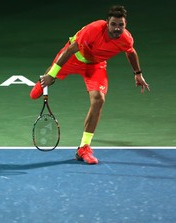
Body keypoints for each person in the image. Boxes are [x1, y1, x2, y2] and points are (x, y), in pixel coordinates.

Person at [29, 5, 150, 164]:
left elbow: (131, 52)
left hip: (95, 66)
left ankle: (83, 147)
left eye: (121, 25)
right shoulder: (93, 30)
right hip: (74, 58)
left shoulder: (126, 39)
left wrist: (138, 73)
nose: (117, 28)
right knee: (36, 92)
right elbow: (70, 50)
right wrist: (52, 75)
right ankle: (47, 77)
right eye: (113, 24)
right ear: (107, 22)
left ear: (125, 25)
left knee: (98, 99)